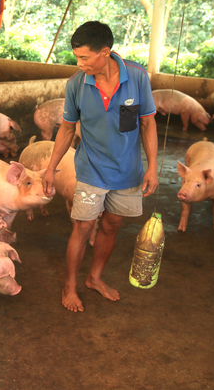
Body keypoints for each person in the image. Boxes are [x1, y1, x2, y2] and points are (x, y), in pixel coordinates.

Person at [42, 21, 158, 313]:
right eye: (76, 57)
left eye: (84, 57)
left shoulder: (137, 77)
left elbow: (147, 122)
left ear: (105, 52)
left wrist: (153, 165)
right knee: (83, 227)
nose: (79, 63)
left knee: (112, 224)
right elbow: (67, 129)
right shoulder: (76, 85)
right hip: (91, 168)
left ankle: (94, 278)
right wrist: (50, 168)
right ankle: (70, 285)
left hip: (127, 170)